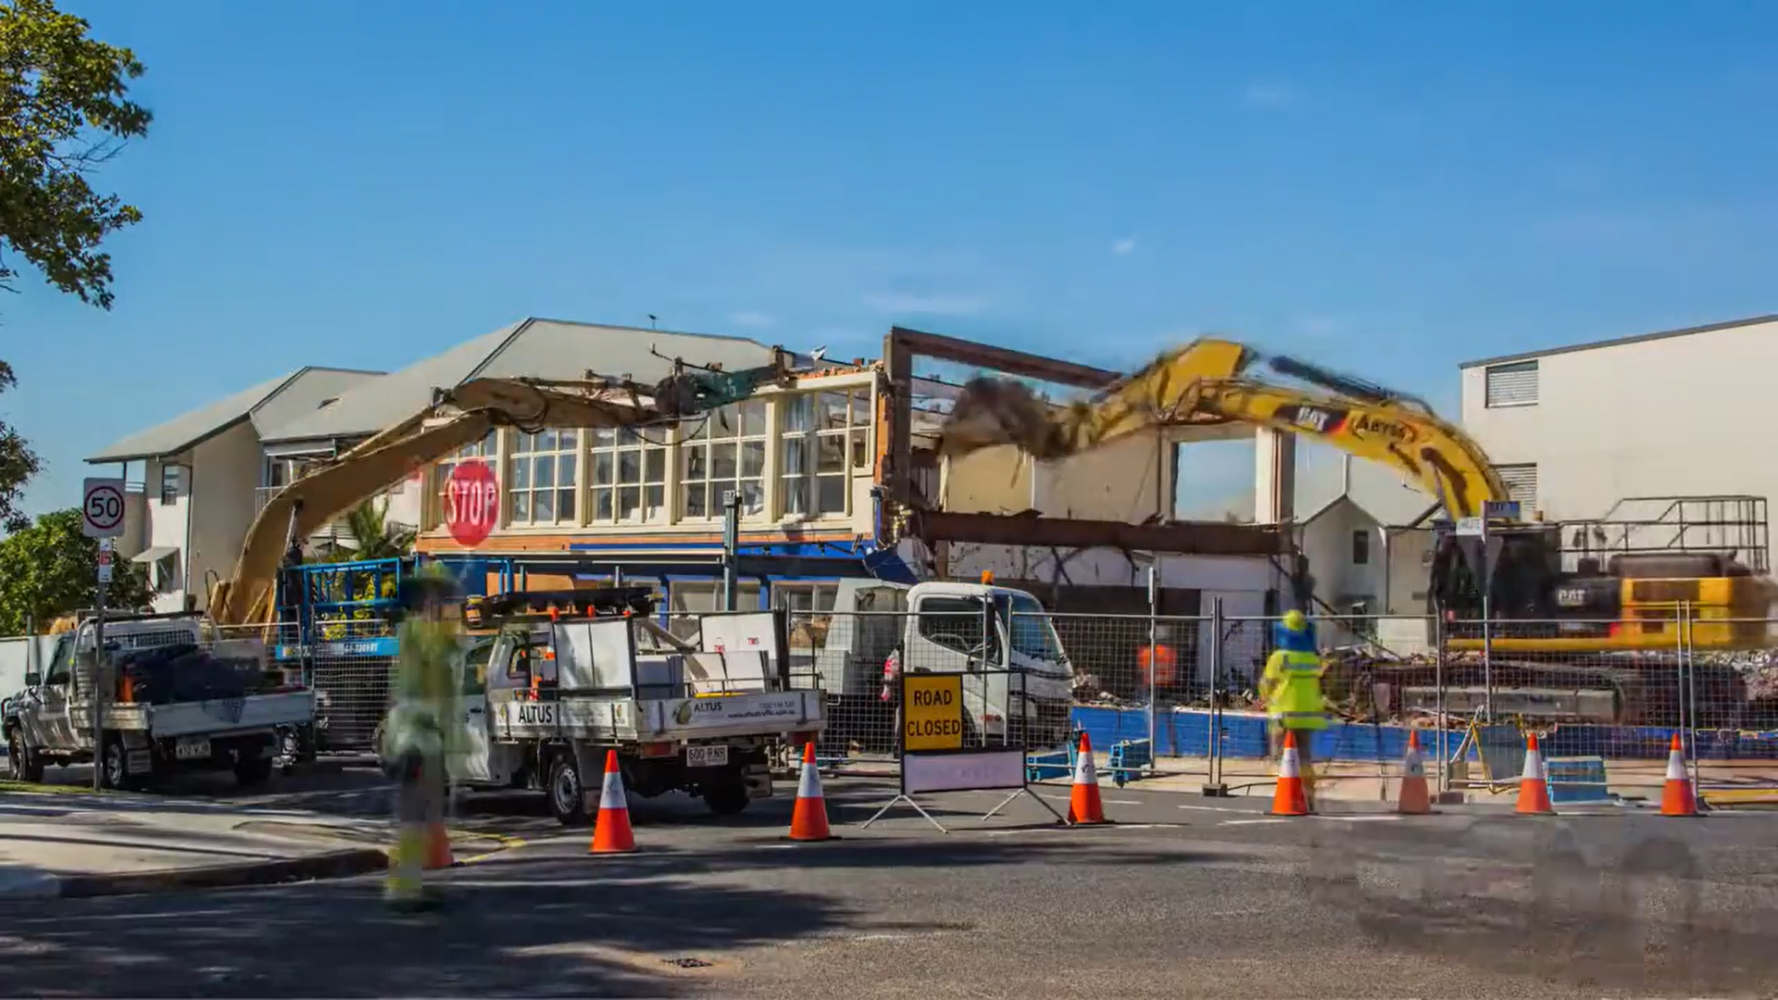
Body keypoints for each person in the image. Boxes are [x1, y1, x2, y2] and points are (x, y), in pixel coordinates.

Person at [380, 564, 467, 912]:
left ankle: (408, 885)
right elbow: (422, 690)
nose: (446, 607)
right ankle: (403, 887)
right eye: (440, 599)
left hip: (423, 739)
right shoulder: (420, 635)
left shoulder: (422, 634)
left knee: (422, 814)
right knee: (415, 815)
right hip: (418, 739)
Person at [1259, 609, 1328, 806]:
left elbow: (1267, 684)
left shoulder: (1279, 657)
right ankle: (1308, 794)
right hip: (1308, 715)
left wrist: (1265, 699)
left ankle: (1288, 795)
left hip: (1284, 715)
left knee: (1284, 757)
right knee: (1304, 756)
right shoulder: (1313, 658)